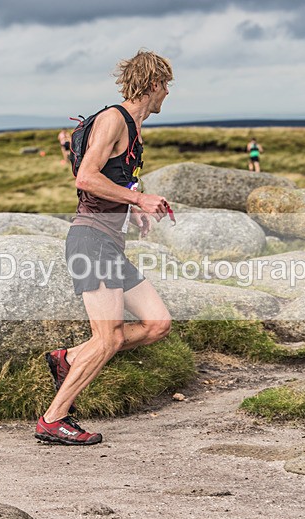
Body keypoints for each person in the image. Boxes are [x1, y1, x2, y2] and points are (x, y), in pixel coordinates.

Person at [35, 50, 174, 446]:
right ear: (153, 85)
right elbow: (86, 178)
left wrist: (136, 205)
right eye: (166, 86)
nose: (168, 94)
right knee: (109, 337)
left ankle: (70, 358)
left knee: (157, 324)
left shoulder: (135, 127)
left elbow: (114, 178)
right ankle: (53, 418)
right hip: (91, 240)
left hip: (110, 244)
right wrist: (139, 200)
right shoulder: (114, 119)